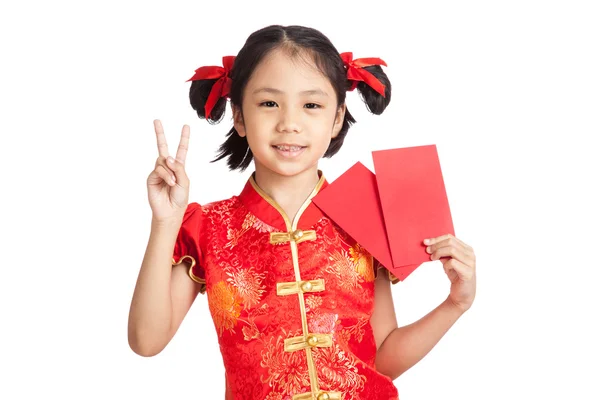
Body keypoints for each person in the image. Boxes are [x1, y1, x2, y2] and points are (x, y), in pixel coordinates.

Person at [127, 24, 477, 400]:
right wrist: (164, 224)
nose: (289, 123)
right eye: (269, 103)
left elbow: (382, 359)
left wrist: (454, 304)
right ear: (240, 117)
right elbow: (146, 341)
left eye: (311, 105)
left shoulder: (367, 214)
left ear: (338, 117)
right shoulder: (209, 227)